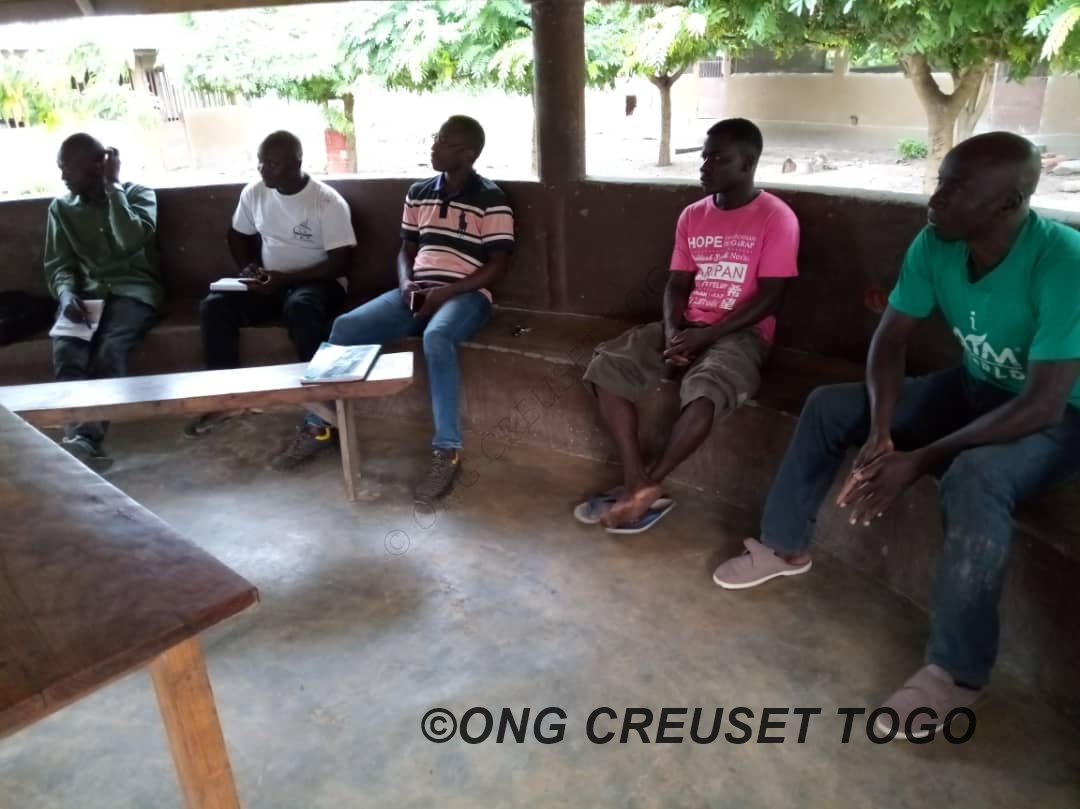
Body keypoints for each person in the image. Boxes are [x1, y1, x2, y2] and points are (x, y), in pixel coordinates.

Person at [711, 131, 1080, 740]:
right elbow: (891, 339)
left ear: (1009, 203)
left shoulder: (1063, 263)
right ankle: (783, 546)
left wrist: (922, 457)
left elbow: (1043, 404)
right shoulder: (937, 242)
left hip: (1062, 415)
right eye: (941, 181)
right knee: (830, 407)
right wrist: (883, 430)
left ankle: (956, 672)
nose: (936, 198)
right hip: (975, 386)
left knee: (975, 477)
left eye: (957, 189)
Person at [272, 115, 514, 504]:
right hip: (416, 291)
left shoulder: (491, 198)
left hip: (467, 295)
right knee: (345, 327)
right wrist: (405, 284)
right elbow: (406, 250)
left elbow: (496, 266)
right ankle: (319, 425)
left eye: (444, 142)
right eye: (436, 137)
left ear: (469, 153)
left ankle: (447, 451)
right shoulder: (419, 192)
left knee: (438, 336)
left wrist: (447, 292)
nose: (434, 146)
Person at [576, 118, 799, 532]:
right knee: (607, 365)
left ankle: (652, 481)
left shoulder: (776, 217)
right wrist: (672, 332)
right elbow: (678, 283)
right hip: (688, 324)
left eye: (718, 158)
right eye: (704, 156)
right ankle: (636, 481)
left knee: (707, 389)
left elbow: (771, 296)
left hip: (742, 333)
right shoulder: (693, 216)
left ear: (748, 163)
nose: (704, 166)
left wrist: (707, 336)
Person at [187, 130, 356, 436]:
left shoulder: (326, 202)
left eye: (273, 164)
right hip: (271, 282)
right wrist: (248, 268)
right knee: (215, 306)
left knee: (301, 308)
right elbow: (237, 235)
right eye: (261, 162)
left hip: (320, 281)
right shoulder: (255, 193)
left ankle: (322, 409)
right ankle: (226, 398)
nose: (263, 169)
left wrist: (286, 279)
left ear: (297, 162)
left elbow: (340, 263)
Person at [44, 134, 161, 464]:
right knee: (67, 349)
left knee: (111, 347)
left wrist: (113, 188)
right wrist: (66, 295)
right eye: (60, 168)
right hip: (84, 296)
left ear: (98, 166)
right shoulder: (61, 208)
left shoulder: (138, 195)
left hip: (133, 291)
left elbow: (130, 240)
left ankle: (86, 439)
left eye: (68, 168)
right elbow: (59, 265)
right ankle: (77, 435)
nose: (63, 176)